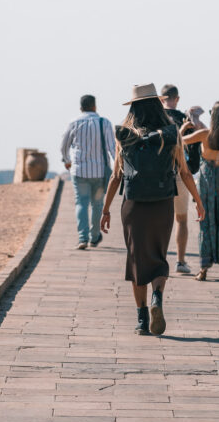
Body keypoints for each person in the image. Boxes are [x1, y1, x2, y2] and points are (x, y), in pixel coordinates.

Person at [100, 84, 205, 336]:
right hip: (162, 203)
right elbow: (184, 172)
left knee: (137, 259)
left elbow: (116, 176)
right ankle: (157, 296)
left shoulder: (125, 134)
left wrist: (105, 209)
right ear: (158, 104)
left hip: (133, 205)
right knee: (158, 257)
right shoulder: (170, 134)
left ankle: (141, 319)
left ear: (134, 107)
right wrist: (198, 201)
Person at [182, 100, 219, 280]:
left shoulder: (205, 134)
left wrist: (183, 127)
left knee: (206, 222)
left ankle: (204, 269)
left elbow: (179, 141)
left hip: (207, 180)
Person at [61, 94, 115, 250]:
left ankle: (82, 238)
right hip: (99, 172)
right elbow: (112, 148)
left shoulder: (74, 123)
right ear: (95, 106)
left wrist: (67, 161)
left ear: (81, 108)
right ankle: (94, 236)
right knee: (98, 204)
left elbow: (64, 146)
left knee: (81, 203)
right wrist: (119, 166)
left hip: (79, 171)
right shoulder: (104, 123)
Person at [160, 84, 198, 275]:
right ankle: (181, 261)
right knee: (181, 219)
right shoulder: (185, 119)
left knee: (159, 219)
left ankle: (158, 259)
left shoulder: (156, 119)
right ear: (177, 98)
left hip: (158, 175)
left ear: (161, 99)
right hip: (181, 173)